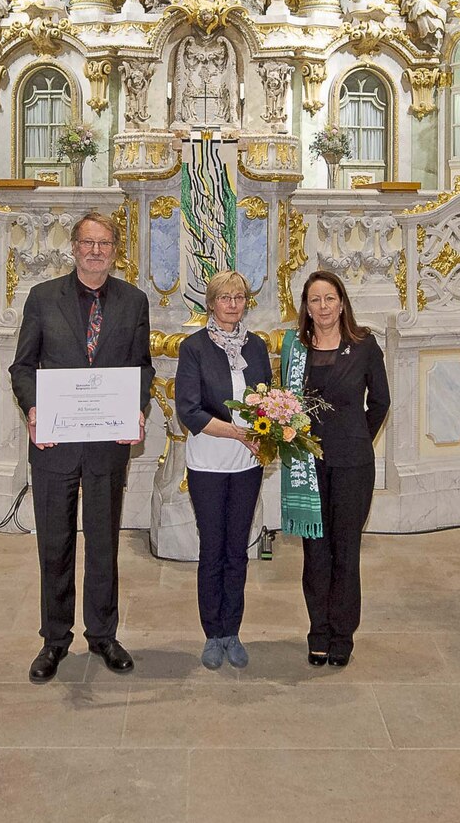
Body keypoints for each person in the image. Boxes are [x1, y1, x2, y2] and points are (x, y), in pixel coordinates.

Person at [9, 211, 154, 682]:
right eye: (88, 242)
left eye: (105, 243)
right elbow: (23, 367)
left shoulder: (134, 302)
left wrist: (137, 408)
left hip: (106, 445)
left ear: (115, 250)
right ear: (73, 247)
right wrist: (34, 411)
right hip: (55, 443)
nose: (96, 251)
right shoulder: (42, 298)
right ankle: (54, 640)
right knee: (54, 543)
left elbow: (142, 367)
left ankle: (103, 635)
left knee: (105, 542)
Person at [174, 270, 271, 670]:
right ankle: (212, 633)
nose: (233, 304)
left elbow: (268, 398)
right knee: (212, 549)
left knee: (238, 549)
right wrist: (236, 432)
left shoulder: (259, 346)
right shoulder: (194, 347)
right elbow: (189, 410)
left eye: (240, 297)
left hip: (247, 463)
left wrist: (270, 431)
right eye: (225, 297)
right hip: (208, 461)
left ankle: (233, 629)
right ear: (211, 302)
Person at [296, 270, 389, 667]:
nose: (323, 307)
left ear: (342, 302)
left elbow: (380, 402)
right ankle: (318, 631)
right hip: (308, 464)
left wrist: (355, 438)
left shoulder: (364, 344)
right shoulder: (296, 348)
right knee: (314, 550)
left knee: (345, 551)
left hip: (353, 464)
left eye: (329, 298)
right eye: (315, 300)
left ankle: (342, 634)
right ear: (307, 307)